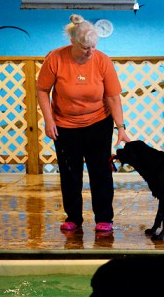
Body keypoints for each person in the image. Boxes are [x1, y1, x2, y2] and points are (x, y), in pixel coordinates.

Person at [37, 14, 129, 233]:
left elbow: (113, 96)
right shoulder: (55, 58)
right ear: (73, 43)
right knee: (70, 174)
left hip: (98, 123)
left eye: (94, 47)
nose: (90, 52)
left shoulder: (102, 60)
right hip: (65, 126)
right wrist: (48, 121)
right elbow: (42, 90)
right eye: (85, 47)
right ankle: (74, 218)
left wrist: (121, 128)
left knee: (101, 173)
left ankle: (104, 218)